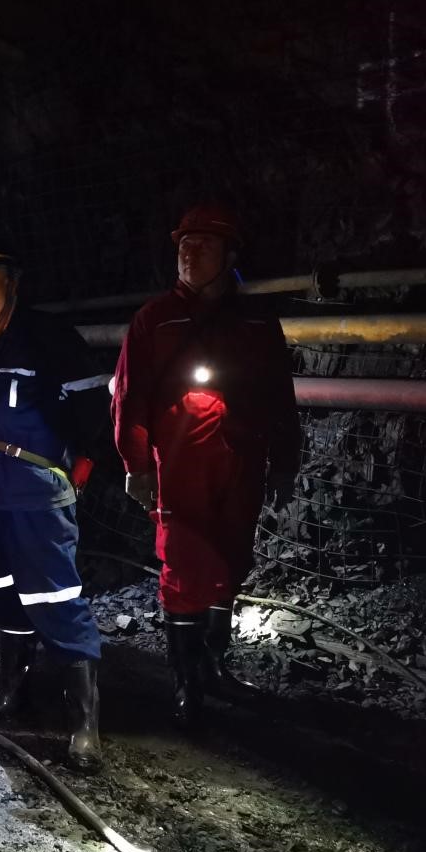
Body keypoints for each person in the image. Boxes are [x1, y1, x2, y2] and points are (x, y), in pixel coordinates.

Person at [111, 205, 300, 727]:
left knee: (231, 558)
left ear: (230, 255)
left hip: (241, 459)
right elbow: (130, 396)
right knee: (185, 564)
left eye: (204, 245)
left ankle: (215, 666)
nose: (190, 253)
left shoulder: (255, 321)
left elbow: (278, 394)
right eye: (184, 245)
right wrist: (136, 463)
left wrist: (285, 461)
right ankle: (186, 682)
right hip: (179, 463)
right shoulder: (155, 320)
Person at [0, 249, 107, 772]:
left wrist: (85, 459)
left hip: (36, 490)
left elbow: (91, 405)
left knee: (55, 596)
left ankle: (83, 722)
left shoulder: (49, 337)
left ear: (11, 282)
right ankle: (11, 689)